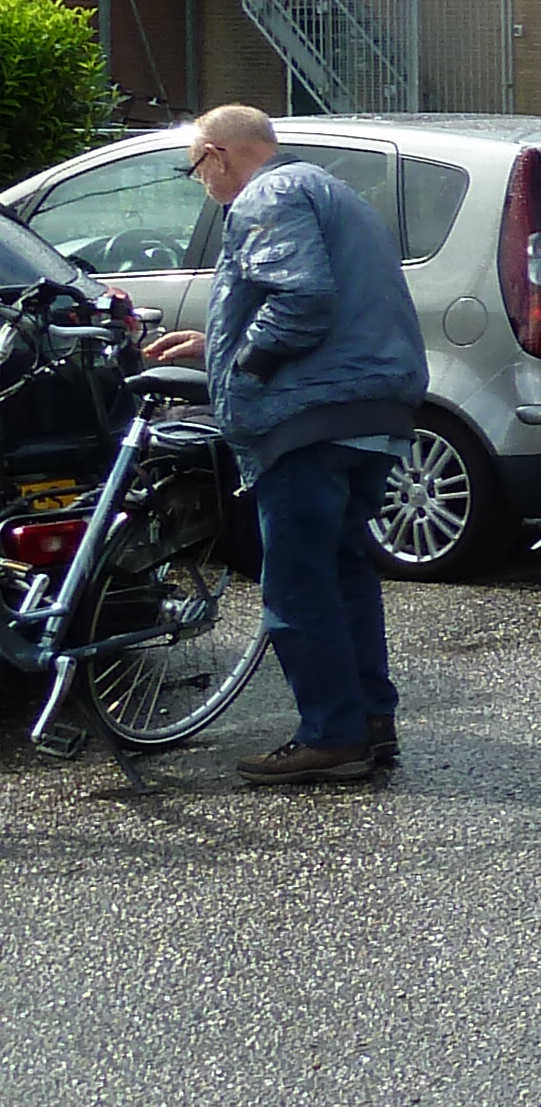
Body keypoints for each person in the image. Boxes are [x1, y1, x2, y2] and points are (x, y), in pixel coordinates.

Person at [135, 106, 428, 785]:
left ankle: (330, 734)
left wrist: (245, 368)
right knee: (344, 568)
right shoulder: (335, 192)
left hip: (307, 419)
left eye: (195, 168)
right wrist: (217, 346)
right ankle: (369, 725)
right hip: (370, 411)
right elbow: (333, 306)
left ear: (215, 154)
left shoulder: (266, 193)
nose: (201, 182)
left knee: (296, 580)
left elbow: (301, 300)